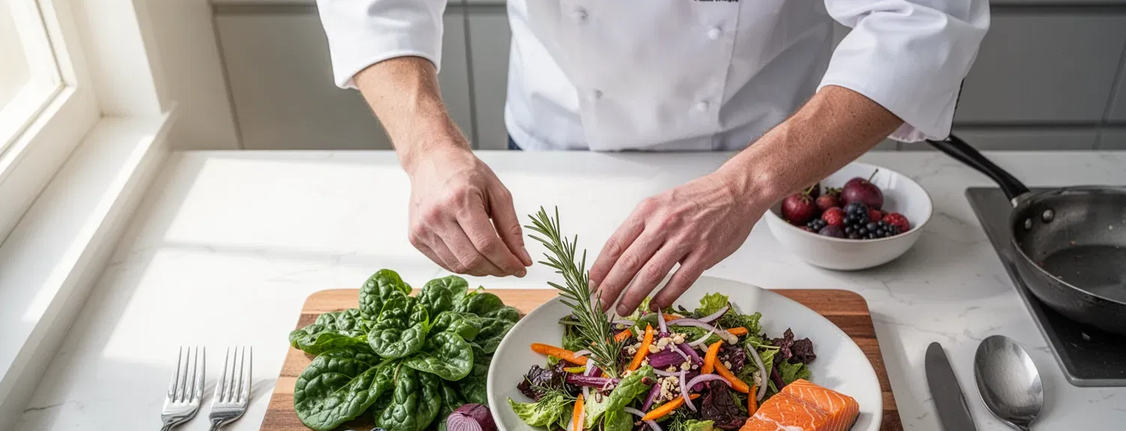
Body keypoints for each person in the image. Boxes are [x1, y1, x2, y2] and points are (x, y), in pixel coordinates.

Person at [316, 1, 988, 316]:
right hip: (559, 150)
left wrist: (744, 187)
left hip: (766, 160)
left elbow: (922, 20)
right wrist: (428, 147)